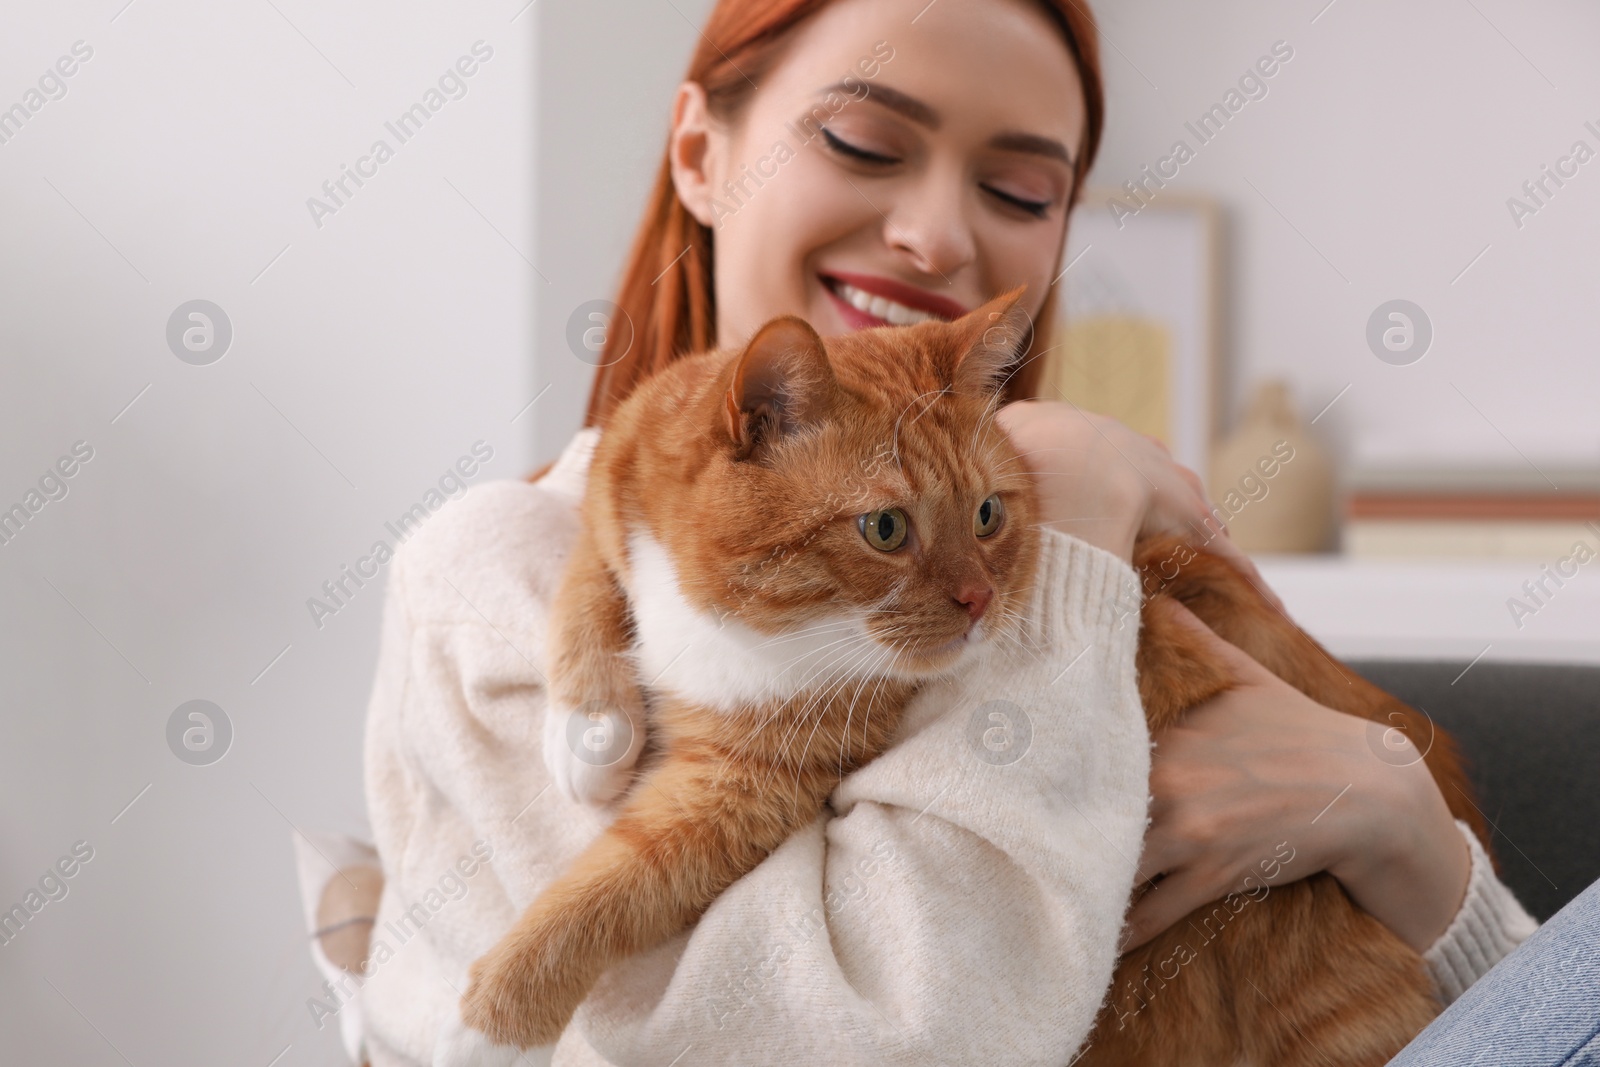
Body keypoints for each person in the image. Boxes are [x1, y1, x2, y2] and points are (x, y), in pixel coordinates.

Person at [310, 0, 1539, 1063]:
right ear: (699, 150)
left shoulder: (1039, 538)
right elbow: (893, 1038)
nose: (939, 235)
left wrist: (1399, 824)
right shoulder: (494, 580)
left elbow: (1519, 1002)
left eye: (1020, 189)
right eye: (860, 141)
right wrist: (1084, 513)